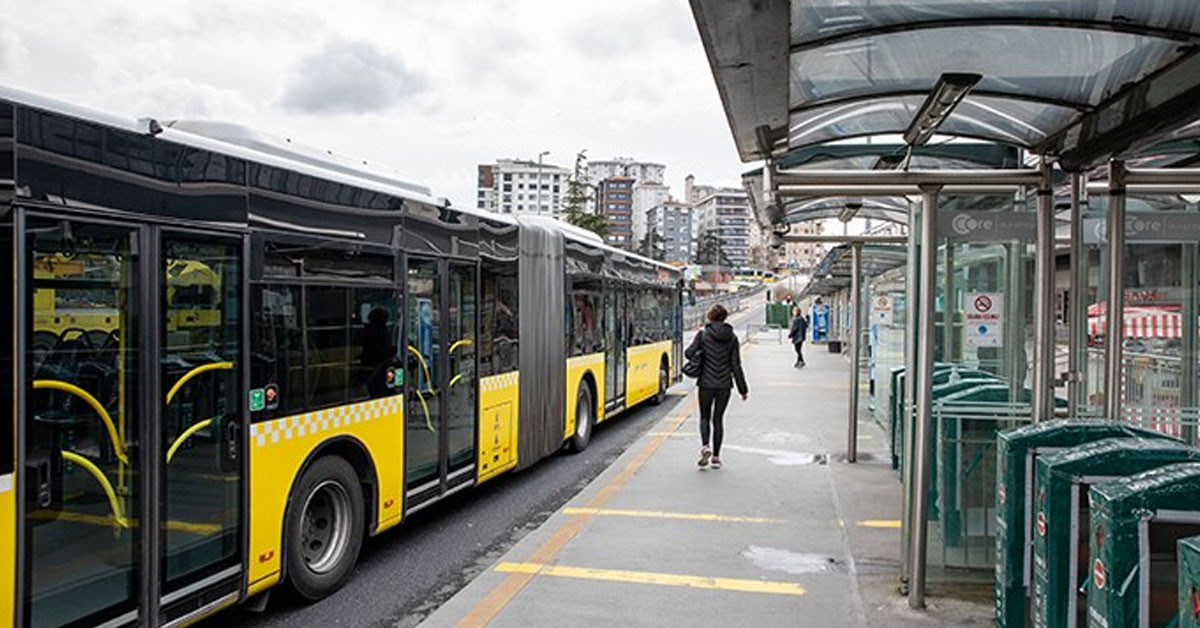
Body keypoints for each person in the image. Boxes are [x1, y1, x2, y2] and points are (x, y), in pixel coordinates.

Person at [684, 303, 749, 469]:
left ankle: (705, 446)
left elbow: (688, 353)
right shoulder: (732, 338)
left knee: (704, 417)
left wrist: (701, 351)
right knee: (718, 419)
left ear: (710, 317)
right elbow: (736, 365)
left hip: (705, 383)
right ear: (725, 317)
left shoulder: (703, 335)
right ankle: (716, 457)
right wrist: (743, 389)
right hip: (724, 385)